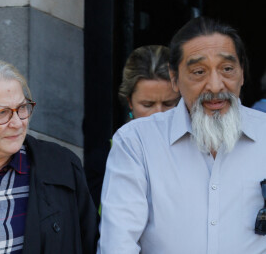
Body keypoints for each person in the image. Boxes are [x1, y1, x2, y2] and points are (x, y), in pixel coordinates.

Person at [97, 16, 266, 254]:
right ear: (175, 79)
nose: (216, 86)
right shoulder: (136, 141)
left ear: (242, 74)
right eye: (199, 72)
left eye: (227, 69)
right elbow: (118, 243)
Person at [0, 56, 98, 253]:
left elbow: (93, 243)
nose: (18, 123)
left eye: (22, 108)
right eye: (1, 113)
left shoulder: (61, 166)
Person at [85, 45, 180, 209]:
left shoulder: (203, 151)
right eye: (147, 104)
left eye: (168, 104)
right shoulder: (105, 160)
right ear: (129, 102)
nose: (158, 114)